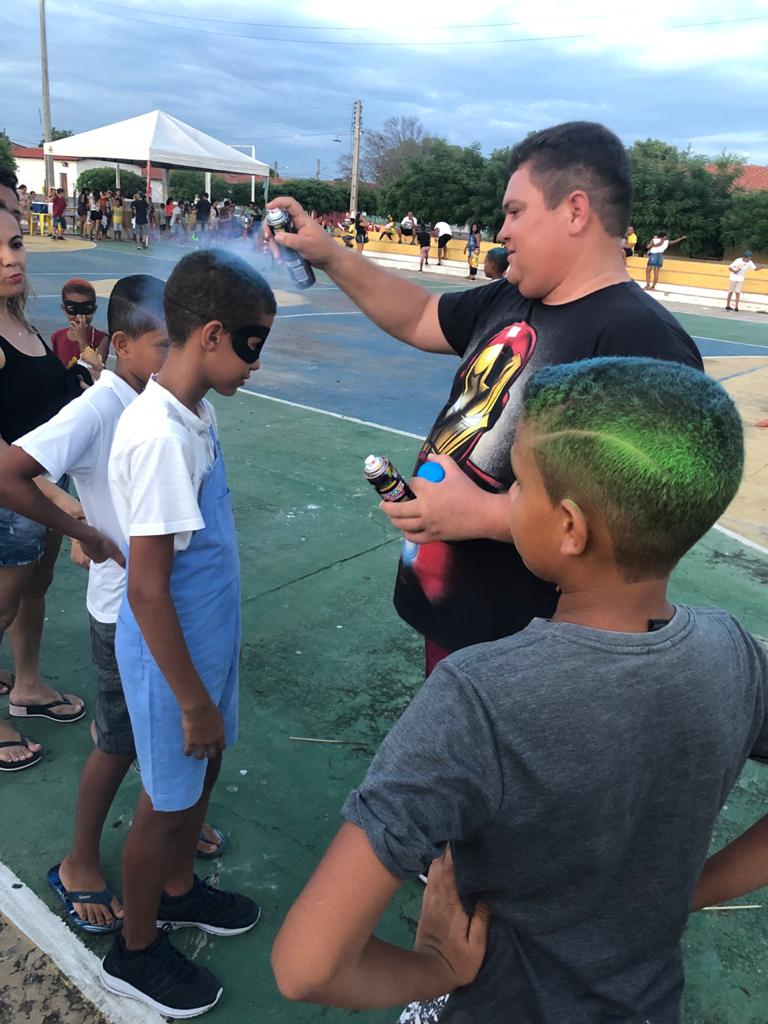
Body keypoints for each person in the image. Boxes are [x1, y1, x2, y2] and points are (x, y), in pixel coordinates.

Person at [272, 356, 766, 1024]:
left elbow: (307, 966)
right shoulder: (735, 653)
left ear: (569, 526)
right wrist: (689, 889)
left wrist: (437, 970)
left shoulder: (479, 698)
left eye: (517, 487)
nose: (504, 501)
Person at [266, 121, 703, 675]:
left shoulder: (642, 341)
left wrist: (486, 514)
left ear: (575, 211)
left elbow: (642, 522)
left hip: (538, 649)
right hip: (457, 617)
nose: (503, 231)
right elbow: (422, 316)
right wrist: (328, 254)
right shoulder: (511, 297)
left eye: (515, 211)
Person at [0, 274, 228, 931]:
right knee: (121, 742)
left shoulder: (165, 400)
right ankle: (78, 864)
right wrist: (83, 531)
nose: (176, 358)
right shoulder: (100, 408)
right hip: (122, 609)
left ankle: (177, 827)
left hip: (163, 605)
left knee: (166, 737)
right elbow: (11, 472)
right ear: (122, 344)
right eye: (164, 345)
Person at [99, 249, 274, 1016]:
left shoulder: (191, 413)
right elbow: (145, 589)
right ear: (209, 334)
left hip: (203, 648)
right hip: (175, 665)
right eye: (251, 344)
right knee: (164, 803)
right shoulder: (162, 435)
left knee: (201, 776)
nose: (256, 365)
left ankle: (177, 891)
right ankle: (133, 951)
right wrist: (192, 699)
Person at [0, 205, 85, 770]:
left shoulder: (19, 320)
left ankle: (26, 684)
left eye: (15, 243)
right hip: (12, 501)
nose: (11, 259)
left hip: (41, 493)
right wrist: (58, 500)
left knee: (35, 590)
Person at [51, 278, 110, 370]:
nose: (79, 316)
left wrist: (82, 341)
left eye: (86, 309)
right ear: (64, 309)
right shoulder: (57, 337)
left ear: (94, 309)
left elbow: (97, 371)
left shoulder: (101, 339)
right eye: (72, 309)